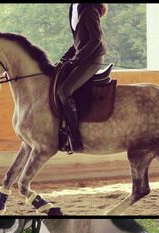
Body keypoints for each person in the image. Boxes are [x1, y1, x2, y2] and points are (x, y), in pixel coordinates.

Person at [58, 3, 108, 153]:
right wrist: (65, 58)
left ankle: (74, 138)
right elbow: (78, 41)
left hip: (93, 58)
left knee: (64, 91)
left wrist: (75, 60)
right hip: (83, 57)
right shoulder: (75, 9)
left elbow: (95, 40)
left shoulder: (89, 10)